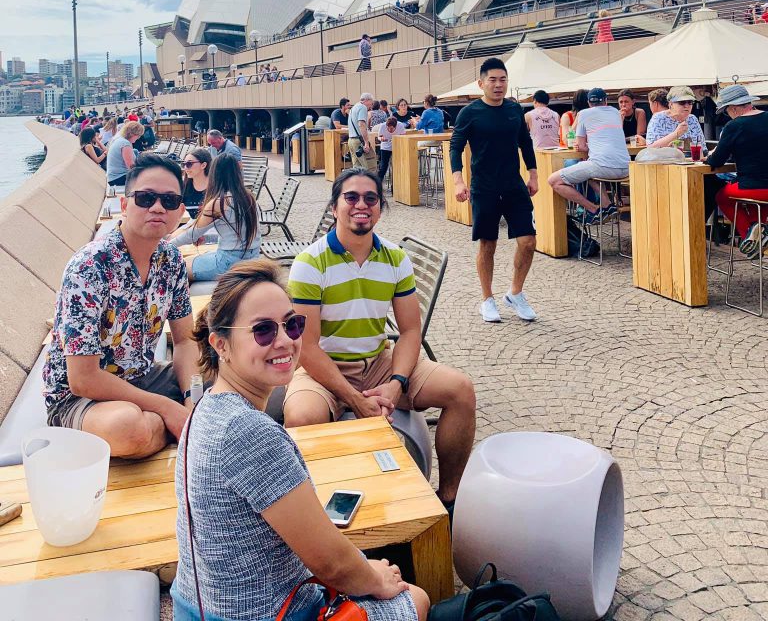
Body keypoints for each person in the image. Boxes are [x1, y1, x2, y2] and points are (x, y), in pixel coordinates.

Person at [172, 259, 428, 621]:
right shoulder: (249, 432)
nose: (285, 341)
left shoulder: (204, 409)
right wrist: (377, 578)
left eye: (292, 325)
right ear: (221, 345)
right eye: (262, 331)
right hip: (264, 614)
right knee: (414, 598)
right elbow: (331, 565)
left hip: (199, 603)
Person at [284, 168, 475, 521]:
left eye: (370, 198)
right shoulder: (310, 263)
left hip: (378, 362)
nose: (361, 205)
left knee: (460, 390)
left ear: (380, 208)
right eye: (351, 197)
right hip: (325, 368)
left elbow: (409, 332)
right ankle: (312, 517)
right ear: (334, 207)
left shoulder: (394, 258)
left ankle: (449, 499)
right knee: (300, 418)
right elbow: (307, 348)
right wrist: (354, 398)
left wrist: (395, 383)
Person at [42, 154, 195, 457]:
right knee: (128, 429)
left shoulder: (172, 261)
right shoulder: (89, 267)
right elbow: (83, 379)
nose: (157, 207)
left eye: (169, 200)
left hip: (143, 377)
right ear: (125, 206)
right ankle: (177, 425)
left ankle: (178, 422)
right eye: (145, 197)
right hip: (79, 399)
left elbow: (184, 340)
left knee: (233, 371)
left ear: (180, 211)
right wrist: (167, 407)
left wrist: (191, 397)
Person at [449, 57, 539, 323]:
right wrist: (458, 180)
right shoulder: (470, 112)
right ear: (481, 83)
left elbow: (525, 143)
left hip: (513, 185)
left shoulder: (514, 110)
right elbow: (456, 146)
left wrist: (533, 174)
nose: (498, 85)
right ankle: (487, 299)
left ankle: (515, 293)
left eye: (503, 79)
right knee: (488, 244)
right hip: (484, 187)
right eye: (493, 80)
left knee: (529, 241)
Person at [170, 154, 261, 285]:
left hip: (228, 262)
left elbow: (191, 235)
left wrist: (166, 246)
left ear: (214, 174)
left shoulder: (219, 202)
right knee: (198, 257)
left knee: (179, 266)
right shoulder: (249, 197)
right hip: (253, 258)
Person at [547, 87, 630, 222]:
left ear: (589, 103)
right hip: (626, 168)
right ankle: (608, 206)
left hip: (602, 166)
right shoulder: (615, 112)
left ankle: (593, 209)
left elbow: (580, 146)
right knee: (587, 171)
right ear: (606, 101)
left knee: (553, 180)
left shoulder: (584, 114)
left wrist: (587, 145)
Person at [706, 85, 768, 258]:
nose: (728, 115)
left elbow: (717, 160)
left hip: (755, 188)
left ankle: (751, 238)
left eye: (726, 112)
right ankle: (760, 233)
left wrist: (709, 156)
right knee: (755, 205)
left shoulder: (735, 125)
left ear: (733, 108)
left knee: (722, 196)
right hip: (764, 193)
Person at [106, 121, 144, 187]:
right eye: (138, 135)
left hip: (115, 177)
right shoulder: (125, 144)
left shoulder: (119, 140)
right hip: (119, 178)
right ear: (133, 134)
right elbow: (130, 166)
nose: (138, 138)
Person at [347, 93, 377, 172]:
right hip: (359, 141)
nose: (371, 106)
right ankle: (370, 184)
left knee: (356, 168)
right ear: (367, 100)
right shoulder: (363, 107)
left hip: (351, 140)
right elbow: (361, 124)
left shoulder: (353, 108)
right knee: (370, 166)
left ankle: (355, 183)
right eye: (371, 103)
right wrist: (366, 142)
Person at [180, 148, 212, 218]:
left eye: (189, 164)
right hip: (189, 226)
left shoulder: (217, 186)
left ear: (203, 165)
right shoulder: (183, 187)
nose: (185, 168)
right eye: (184, 164)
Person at [375, 115, 406, 180]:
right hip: (385, 147)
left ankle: (395, 186)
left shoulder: (400, 125)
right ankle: (378, 184)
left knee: (397, 167)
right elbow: (379, 137)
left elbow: (404, 137)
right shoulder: (383, 126)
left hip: (397, 147)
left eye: (391, 128)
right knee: (383, 167)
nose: (389, 130)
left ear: (395, 126)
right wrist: (381, 139)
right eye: (388, 128)